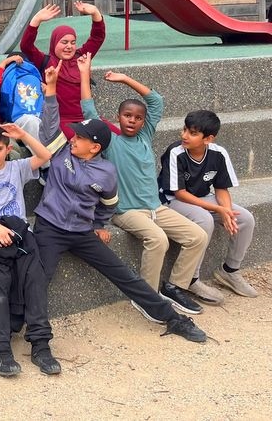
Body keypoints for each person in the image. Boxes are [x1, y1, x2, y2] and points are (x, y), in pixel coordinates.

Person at [31, 63, 207, 344]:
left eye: (79, 137)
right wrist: (51, 90)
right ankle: (37, 340)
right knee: (38, 277)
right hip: (50, 229)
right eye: (75, 135)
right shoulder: (61, 151)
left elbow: (108, 203)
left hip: (82, 231)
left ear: (95, 147)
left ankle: (173, 318)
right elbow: (52, 123)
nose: (73, 137)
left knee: (123, 274)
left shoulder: (105, 170)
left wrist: (98, 224)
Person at [78, 54, 208, 315]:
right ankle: (147, 298)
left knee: (198, 236)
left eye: (138, 117)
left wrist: (125, 79)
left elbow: (156, 101)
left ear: (143, 122)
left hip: (156, 208)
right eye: (127, 115)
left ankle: (174, 287)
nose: (132, 120)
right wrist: (84, 73)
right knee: (158, 240)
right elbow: (89, 111)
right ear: (118, 117)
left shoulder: (145, 136)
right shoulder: (110, 142)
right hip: (127, 211)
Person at [0, 119, 58, 377]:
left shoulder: (17, 167)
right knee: (0, 282)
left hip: (20, 233)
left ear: (7, 149)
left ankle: (41, 344)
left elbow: (45, 155)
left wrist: (22, 135)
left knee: (35, 279)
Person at [159, 110, 257, 302]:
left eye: (192, 133)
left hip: (202, 197)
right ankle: (191, 279)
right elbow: (179, 193)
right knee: (204, 220)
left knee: (245, 218)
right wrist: (218, 209)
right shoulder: (176, 152)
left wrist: (226, 210)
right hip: (172, 200)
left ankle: (230, 271)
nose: (184, 135)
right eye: (184, 129)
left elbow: (221, 188)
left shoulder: (218, 153)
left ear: (208, 139)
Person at [20, 2, 106, 138]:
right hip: (60, 120)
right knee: (83, 140)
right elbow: (26, 46)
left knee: (114, 136)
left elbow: (97, 37)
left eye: (73, 42)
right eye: (64, 42)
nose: (69, 47)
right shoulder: (45, 61)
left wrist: (95, 13)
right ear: (54, 42)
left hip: (87, 117)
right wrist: (36, 20)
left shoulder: (81, 57)